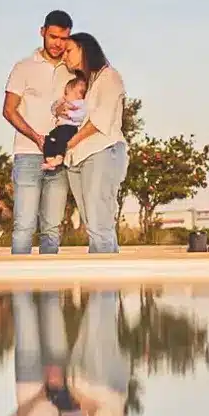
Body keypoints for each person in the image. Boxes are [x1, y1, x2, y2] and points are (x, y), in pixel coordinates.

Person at [3, 10, 74, 254]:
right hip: (28, 154)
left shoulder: (73, 70)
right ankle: (18, 279)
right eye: (53, 37)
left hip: (61, 158)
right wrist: (36, 137)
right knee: (24, 226)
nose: (57, 43)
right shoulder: (23, 67)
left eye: (63, 38)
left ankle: (50, 281)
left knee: (52, 229)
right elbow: (9, 110)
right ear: (42, 32)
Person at [59, 32, 128, 254]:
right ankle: (104, 272)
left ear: (84, 49)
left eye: (69, 51)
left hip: (101, 151)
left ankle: (105, 274)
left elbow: (100, 120)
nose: (64, 56)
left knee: (100, 222)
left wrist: (70, 141)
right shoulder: (85, 84)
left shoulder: (110, 77)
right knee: (92, 224)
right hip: (77, 157)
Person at [42, 73, 88, 171]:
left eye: (84, 86)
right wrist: (60, 104)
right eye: (80, 84)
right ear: (69, 89)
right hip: (59, 127)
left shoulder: (81, 103)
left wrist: (69, 113)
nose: (83, 87)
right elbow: (53, 109)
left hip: (70, 127)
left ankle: (59, 157)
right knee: (49, 138)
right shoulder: (64, 101)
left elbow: (82, 115)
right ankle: (49, 158)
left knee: (62, 141)